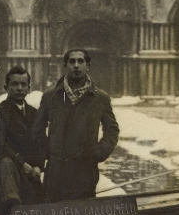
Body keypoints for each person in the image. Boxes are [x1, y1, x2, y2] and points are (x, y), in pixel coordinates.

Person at [31, 48, 119, 202]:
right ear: (65, 65)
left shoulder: (100, 98)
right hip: (56, 171)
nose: (76, 65)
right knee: (54, 212)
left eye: (80, 61)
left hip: (85, 170)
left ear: (88, 66)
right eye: (72, 61)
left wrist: (100, 152)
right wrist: (50, 151)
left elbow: (111, 130)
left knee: (81, 213)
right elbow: (37, 129)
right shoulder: (51, 96)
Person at [0, 66, 45, 215]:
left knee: (38, 212)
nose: (19, 88)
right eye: (14, 84)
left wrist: (38, 166)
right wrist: (22, 163)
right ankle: (11, 205)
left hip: (28, 172)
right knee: (6, 162)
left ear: (29, 88)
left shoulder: (35, 114)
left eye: (23, 84)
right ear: (6, 87)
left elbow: (41, 144)